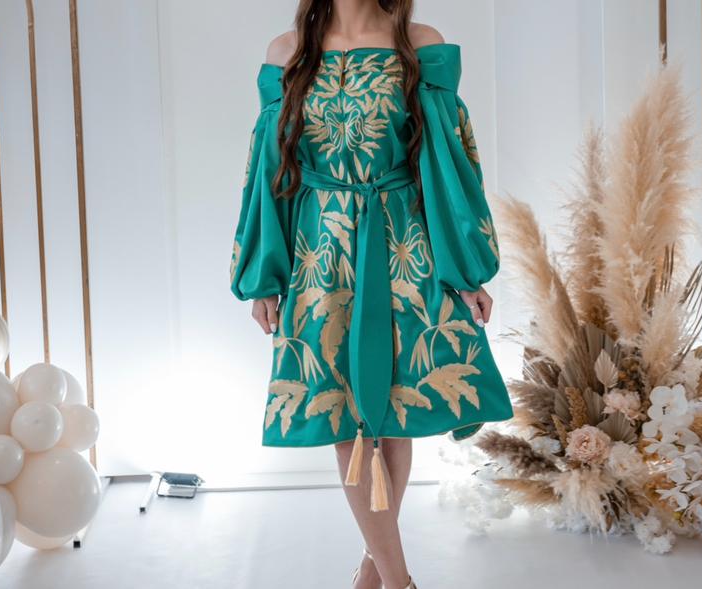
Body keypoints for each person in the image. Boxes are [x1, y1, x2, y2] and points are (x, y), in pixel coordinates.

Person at [229, 1, 513, 587]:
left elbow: (448, 164)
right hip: (321, 254)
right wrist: (265, 276)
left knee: (394, 414)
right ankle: (397, 579)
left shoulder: (420, 43)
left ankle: (374, 570)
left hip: (404, 244)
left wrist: (465, 271)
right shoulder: (287, 52)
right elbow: (268, 170)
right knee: (345, 420)